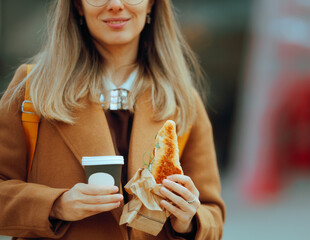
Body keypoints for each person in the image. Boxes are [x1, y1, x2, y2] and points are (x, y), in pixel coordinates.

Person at [0, 0, 225, 239]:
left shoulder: (183, 100)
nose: (116, 4)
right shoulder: (32, 89)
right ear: (77, 5)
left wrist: (189, 220)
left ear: (151, 5)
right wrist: (56, 205)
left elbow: (213, 214)